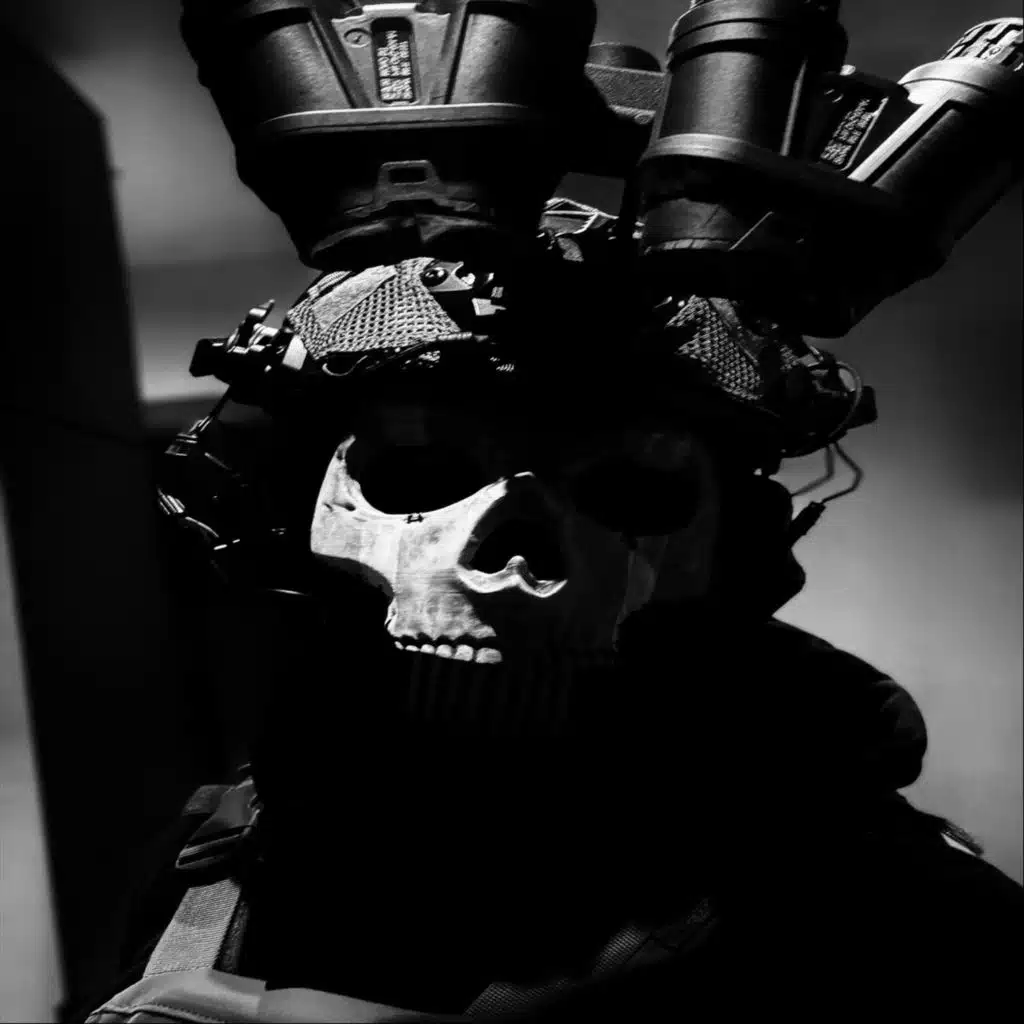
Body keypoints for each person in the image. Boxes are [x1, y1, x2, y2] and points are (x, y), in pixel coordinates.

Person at [77, 206, 1022, 1023]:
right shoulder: (223, 859)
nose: (512, 567)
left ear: (729, 549)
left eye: (629, 489)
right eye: (419, 473)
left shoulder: (898, 912)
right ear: (293, 510)